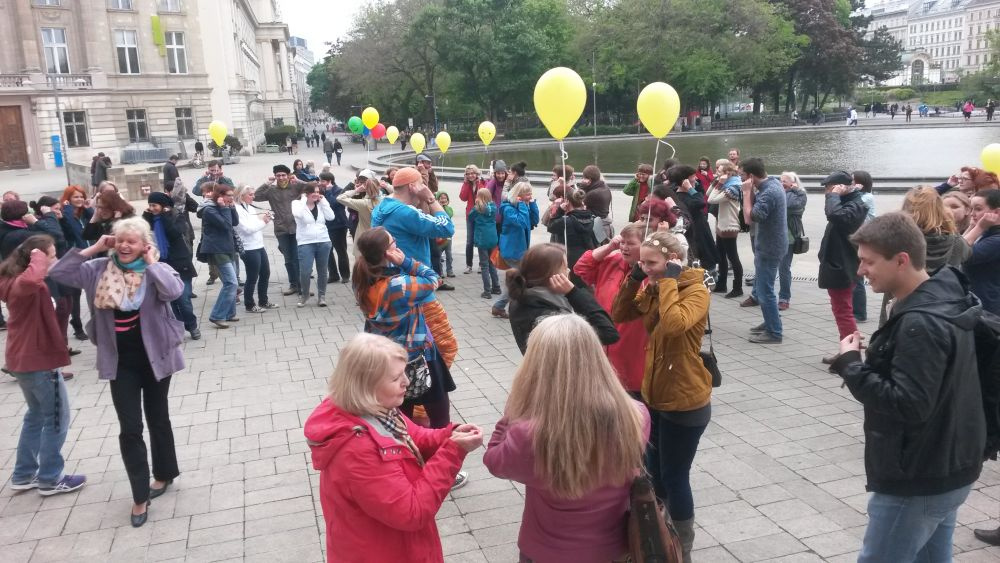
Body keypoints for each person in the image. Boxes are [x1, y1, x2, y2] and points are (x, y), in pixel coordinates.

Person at [831, 213, 985, 562]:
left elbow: (910, 404)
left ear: (901, 260)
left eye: (868, 262)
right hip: (949, 465)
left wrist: (851, 365)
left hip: (918, 477)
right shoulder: (947, 295)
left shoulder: (920, 323)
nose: (860, 271)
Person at [49, 220, 184, 528]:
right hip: (119, 361)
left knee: (158, 416)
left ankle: (164, 473)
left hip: (156, 356)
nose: (124, 246)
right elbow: (58, 273)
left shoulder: (154, 270)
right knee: (130, 426)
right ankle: (139, 496)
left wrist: (153, 264)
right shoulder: (97, 268)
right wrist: (95, 247)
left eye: (132, 242)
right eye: (120, 240)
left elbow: (174, 291)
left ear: (144, 245)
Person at [304, 333, 482, 563]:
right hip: (382, 552)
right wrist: (452, 452)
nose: (407, 382)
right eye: (396, 377)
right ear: (366, 386)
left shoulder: (375, 407)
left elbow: (414, 436)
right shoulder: (356, 450)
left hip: (393, 544)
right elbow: (412, 512)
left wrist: (450, 434)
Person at [483, 314, 647, 563]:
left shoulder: (528, 434)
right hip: (615, 548)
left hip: (546, 551)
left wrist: (512, 412)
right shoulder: (636, 416)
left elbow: (494, 461)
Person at [611, 230, 711, 560]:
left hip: (686, 399)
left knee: (674, 475)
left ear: (671, 262)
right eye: (642, 262)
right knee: (654, 471)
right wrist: (634, 277)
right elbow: (621, 314)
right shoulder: (654, 285)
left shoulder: (695, 289)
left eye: (651, 263)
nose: (646, 267)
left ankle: (683, 544)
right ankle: (659, 531)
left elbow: (673, 325)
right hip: (654, 395)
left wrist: (667, 281)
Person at [0, 235, 86, 496]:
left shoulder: (11, 280)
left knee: (36, 415)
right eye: (51, 256)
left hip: (22, 358)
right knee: (57, 418)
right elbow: (31, 279)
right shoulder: (24, 283)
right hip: (37, 360)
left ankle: (24, 474)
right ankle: (50, 478)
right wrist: (39, 254)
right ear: (34, 260)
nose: (53, 260)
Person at [352, 227, 459, 434]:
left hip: (390, 359)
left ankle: (408, 455)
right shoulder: (398, 286)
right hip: (420, 357)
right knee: (440, 420)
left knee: (403, 418)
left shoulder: (362, 279)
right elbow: (434, 278)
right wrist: (406, 262)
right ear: (387, 253)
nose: (397, 246)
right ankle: (440, 455)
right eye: (394, 243)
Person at [875, 186, 970, 326]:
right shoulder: (955, 241)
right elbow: (967, 253)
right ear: (940, 209)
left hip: (900, 305)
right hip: (942, 308)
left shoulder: (898, 239)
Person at [574, 224, 648, 395]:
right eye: (622, 242)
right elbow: (581, 267)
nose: (624, 247)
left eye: (631, 243)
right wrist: (609, 247)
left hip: (631, 347)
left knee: (632, 396)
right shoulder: (613, 260)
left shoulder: (650, 272)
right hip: (604, 343)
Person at [507, 242, 618, 354]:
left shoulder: (527, 295)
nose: (568, 271)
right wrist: (573, 292)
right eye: (564, 267)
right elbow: (608, 333)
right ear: (550, 275)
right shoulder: (545, 315)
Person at [370, 167, 455, 290]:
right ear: (412, 187)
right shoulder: (406, 213)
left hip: (393, 280)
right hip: (415, 281)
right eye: (421, 185)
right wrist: (431, 199)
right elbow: (447, 228)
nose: (424, 189)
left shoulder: (381, 207)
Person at [816, 171, 868, 365]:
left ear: (842, 187)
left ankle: (851, 355)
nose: (826, 192)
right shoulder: (849, 202)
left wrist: (833, 196)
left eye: (829, 187)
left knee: (843, 311)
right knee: (841, 310)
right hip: (839, 264)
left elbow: (835, 215)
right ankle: (846, 348)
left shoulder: (855, 205)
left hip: (844, 266)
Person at [741, 158, 787, 344]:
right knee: (763, 287)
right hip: (773, 245)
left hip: (770, 248)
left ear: (751, 176)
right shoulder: (773, 183)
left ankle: (774, 332)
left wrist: (746, 193)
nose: (740, 178)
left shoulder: (769, 192)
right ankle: (770, 321)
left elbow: (750, 218)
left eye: (742, 175)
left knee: (764, 290)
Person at [143, 192, 199, 340]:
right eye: (150, 205)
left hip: (181, 264)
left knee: (184, 299)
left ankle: (192, 325)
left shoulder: (177, 216)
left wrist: (165, 217)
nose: (152, 208)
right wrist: (147, 216)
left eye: (154, 205)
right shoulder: (150, 220)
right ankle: (178, 327)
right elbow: (142, 232)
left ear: (164, 206)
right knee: (171, 301)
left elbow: (174, 233)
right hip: (163, 265)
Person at [254, 164, 315, 297]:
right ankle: (293, 284)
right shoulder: (271, 190)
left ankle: (303, 287)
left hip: (297, 227)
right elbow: (255, 196)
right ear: (275, 176)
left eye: (283, 175)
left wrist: (298, 180)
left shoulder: (295, 186)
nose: (281, 178)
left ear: (288, 175)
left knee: (298, 258)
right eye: (278, 175)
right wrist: (266, 183)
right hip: (281, 229)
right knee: (288, 259)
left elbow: (312, 186)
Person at [492, 181, 539, 319]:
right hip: (512, 250)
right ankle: (502, 306)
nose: (529, 196)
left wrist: (532, 204)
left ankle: (501, 306)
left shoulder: (523, 205)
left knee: (520, 279)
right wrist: (522, 205)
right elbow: (521, 222)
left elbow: (534, 221)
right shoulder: (507, 208)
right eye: (527, 194)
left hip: (520, 250)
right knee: (521, 279)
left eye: (530, 193)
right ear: (518, 195)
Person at [234, 185, 277, 314]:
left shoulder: (249, 207)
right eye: (251, 194)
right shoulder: (237, 209)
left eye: (253, 194)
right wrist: (264, 221)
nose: (254, 196)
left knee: (265, 273)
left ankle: (263, 301)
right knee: (252, 276)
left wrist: (265, 218)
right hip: (248, 247)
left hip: (258, 245)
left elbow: (254, 224)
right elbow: (248, 229)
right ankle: (249, 304)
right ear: (241, 196)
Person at [201, 185, 240, 328]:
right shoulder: (210, 210)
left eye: (232, 195)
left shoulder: (226, 206)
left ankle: (229, 313)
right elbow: (226, 225)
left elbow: (235, 222)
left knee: (231, 281)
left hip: (228, 248)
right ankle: (217, 316)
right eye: (229, 195)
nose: (231, 197)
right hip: (217, 250)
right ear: (220, 196)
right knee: (231, 282)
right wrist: (225, 208)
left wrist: (232, 207)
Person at [669, 164, 719, 275]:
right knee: (705, 258)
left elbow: (701, 191)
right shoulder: (683, 197)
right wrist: (691, 189)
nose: (696, 178)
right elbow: (701, 202)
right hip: (697, 232)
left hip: (700, 230)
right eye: (693, 176)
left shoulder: (679, 193)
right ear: (685, 181)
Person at [59, 185, 93, 340]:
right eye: (75, 197)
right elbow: (74, 231)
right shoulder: (64, 215)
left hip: (91, 257)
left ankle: (96, 324)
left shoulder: (84, 213)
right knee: (75, 294)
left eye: (81, 196)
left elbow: (94, 228)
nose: (79, 200)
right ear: (68, 199)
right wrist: (66, 211)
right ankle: (78, 326)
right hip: (74, 259)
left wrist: (88, 209)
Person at [292, 184, 335, 307]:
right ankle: (304, 295)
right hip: (305, 243)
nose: (317, 194)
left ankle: (322, 296)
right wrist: (304, 199)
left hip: (323, 241)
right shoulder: (297, 204)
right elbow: (299, 215)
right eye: (314, 192)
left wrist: (324, 201)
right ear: (306, 193)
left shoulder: (321, 204)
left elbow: (331, 217)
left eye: (318, 192)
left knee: (322, 271)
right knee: (305, 271)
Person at [545, 188, 598, 286]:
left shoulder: (565, 222)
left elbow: (551, 226)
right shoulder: (593, 218)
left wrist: (560, 210)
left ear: (567, 202)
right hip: (586, 258)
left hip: (568, 259)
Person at [707, 159, 743, 297]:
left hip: (730, 226)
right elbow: (708, 193)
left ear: (727, 173)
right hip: (721, 225)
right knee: (721, 256)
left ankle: (737, 287)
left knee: (733, 258)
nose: (716, 172)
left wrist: (720, 182)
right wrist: (717, 181)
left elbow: (711, 200)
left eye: (719, 171)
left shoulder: (732, 188)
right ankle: (722, 284)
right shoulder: (725, 184)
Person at [963, 188, 1000, 315]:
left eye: (978, 209)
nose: (972, 213)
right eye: (971, 208)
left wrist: (978, 227)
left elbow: (959, 254)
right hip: (977, 304)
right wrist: (972, 226)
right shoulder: (985, 232)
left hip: (988, 309)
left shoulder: (996, 240)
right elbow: (958, 246)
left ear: (996, 212)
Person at [778, 172, 807, 311]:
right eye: (780, 180)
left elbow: (788, 205)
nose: (781, 182)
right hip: (774, 236)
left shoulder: (800, 195)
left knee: (783, 268)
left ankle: (784, 298)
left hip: (788, 238)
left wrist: (794, 190)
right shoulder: (780, 192)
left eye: (785, 181)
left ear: (793, 182)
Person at [853, 171, 876, 322]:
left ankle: (860, 313)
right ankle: (854, 308)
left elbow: (853, 206)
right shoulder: (860, 195)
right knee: (853, 275)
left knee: (857, 277)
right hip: (857, 236)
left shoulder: (867, 197)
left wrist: (853, 191)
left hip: (863, 238)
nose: (851, 184)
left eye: (853, 181)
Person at [468, 188, 500, 299]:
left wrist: (476, 204)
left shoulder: (477, 209)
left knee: (484, 266)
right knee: (492, 264)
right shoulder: (494, 207)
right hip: (493, 238)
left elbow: (470, 217)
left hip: (482, 239)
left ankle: (487, 291)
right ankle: (496, 287)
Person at [319, 172, 351, 284]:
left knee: (341, 251)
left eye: (322, 181)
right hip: (325, 225)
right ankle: (333, 275)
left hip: (339, 225)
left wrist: (328, 192)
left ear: (329, 181)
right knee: (327, 251)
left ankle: (345, 275)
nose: (320, 183)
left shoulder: (339, 191)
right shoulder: (321, 190)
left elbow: (333, 203)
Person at [338, 171, 382, 249]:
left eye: (364, 182)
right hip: (379, 236)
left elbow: (340, 198)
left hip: (364, 235)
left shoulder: (365, 203)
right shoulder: (385, 200)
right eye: (360, 181)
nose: (361, 184)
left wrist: (356, 191)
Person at [458, 165, 487, 274]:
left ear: (477, 174)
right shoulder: (467, 184)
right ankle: (468, 265)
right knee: (469, 241)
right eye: (468, 173)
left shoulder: (483, 182)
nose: (470, 175)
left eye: (472, 173)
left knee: (480, 240)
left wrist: (478, 183)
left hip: (481, 215)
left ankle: (481, 264)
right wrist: (465, 183)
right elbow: (463, 197)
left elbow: (484, 195)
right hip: (470, 215)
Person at [579, 165, 612, 243]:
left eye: (584, 178)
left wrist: (583, 187)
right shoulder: (604, 187)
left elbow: (577, 201)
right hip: (604, 220)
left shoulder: (593, 194)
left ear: (589, 179)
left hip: (596, 226)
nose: (582, 180)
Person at [435, 192, 455, 278]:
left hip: (448, 237)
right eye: (441, 198)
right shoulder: (435, 210)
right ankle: (440, 272)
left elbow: (449, 214)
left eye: (445, 198)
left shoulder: (449, 209)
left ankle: (449, 270)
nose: (443, 200)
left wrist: (443, 207)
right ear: (437, 200)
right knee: (438, 255)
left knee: (449, 254)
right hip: (439, 236)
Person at [487, 160, 509, 231]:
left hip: (507, 216)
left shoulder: (509, 183)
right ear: (495, 173)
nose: (500, 176)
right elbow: (486, 196)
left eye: (502, 173)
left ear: (505, 173)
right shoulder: (492, 183)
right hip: (495, 218)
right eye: (498, 173)